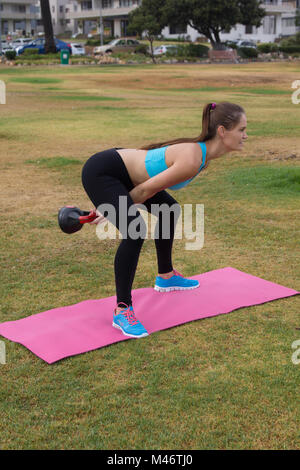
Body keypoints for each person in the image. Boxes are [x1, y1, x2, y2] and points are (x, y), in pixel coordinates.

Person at [81, 102, 248, 339]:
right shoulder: (192, 158)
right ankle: (122, 309)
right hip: (104, 171)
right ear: (222, 131)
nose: (245, 135)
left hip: (125, 173)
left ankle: (166, 276)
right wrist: (107, 209)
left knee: (169, 209)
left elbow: (145, 189)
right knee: (135, 231)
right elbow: (143, 191)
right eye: (241, 129)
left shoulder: (202, 157)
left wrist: (113, 205)